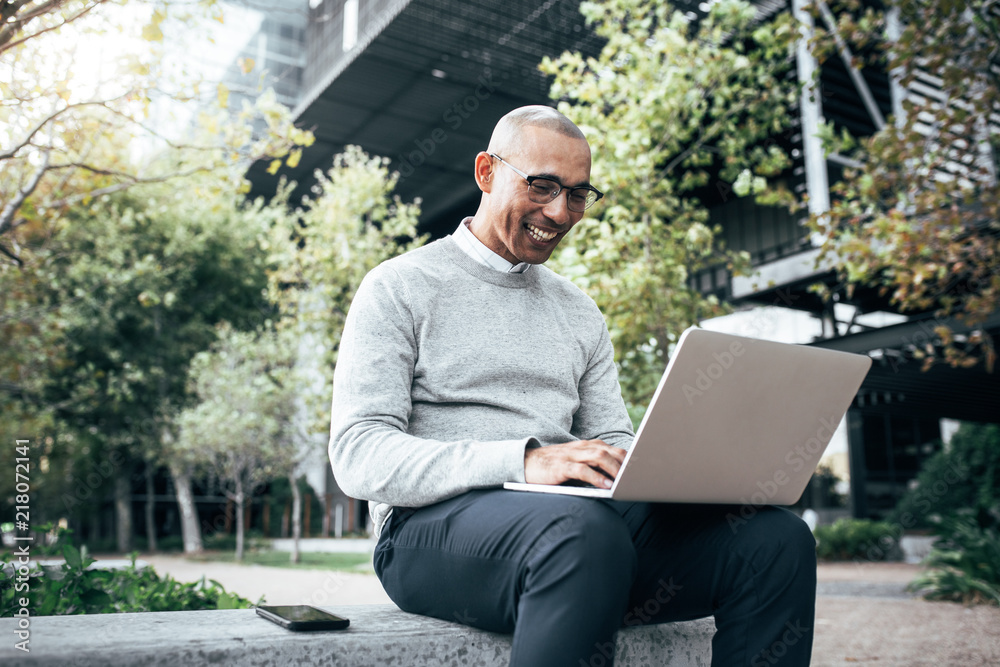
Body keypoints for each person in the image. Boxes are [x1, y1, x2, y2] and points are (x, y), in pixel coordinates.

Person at [329, 105, 816, 666]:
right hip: (426, 533)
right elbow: (359, 455)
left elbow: (612, 437)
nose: (559, 212)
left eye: (578, 194)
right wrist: (525, 461)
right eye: (542, 186)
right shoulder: (398, 287)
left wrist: (691, 469)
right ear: (486, 173)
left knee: (776, 541)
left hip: (577, 529)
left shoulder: (579, 311)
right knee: (581, 534)